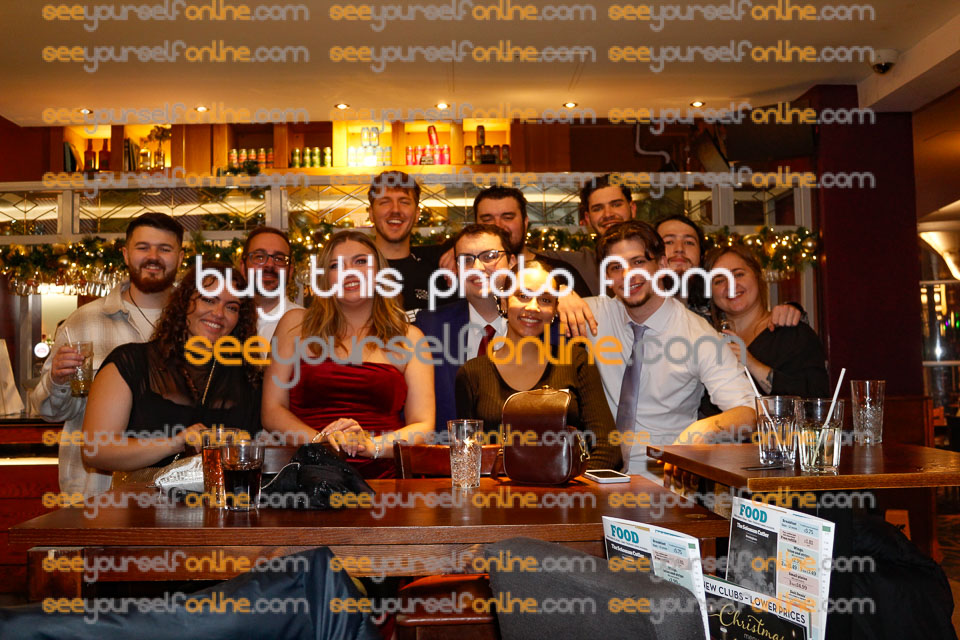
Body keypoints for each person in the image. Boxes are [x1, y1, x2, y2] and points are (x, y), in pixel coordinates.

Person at [584, 220, 756, 480]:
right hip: (597, 478)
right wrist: (563, 296)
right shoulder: (592, 315)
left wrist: (704, 429)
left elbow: (749, 412)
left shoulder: (698, 336)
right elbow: (531, 300)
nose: (628, 275)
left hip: (665, 480)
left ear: (662, 264)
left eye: (638, 262)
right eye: (616, 267)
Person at [29, 212, 185, 497]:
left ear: (180, 256)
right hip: (96, 494)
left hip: (180, 492)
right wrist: (57, 380)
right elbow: (49, 412)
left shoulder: (197, 324)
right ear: (126, 254)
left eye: (164, 249)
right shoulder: (83, 322)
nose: (153, 257)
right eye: (143, 247)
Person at [261, 230, 435, 478]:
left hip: (386, 481)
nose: (349, 272)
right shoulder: (294, 325)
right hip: (309, 478)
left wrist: (371, 446)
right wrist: (322, 442)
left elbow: (424, 426)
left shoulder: (411, 338)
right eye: (336, 265)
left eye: (360, 261)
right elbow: (272, 411)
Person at [81, 262, 262, 477]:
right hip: (143, 498)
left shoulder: (248, 376)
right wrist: (175, 443)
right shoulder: (131, 362)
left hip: (224, 498)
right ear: (184, 302)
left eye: (231, 307)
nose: (218, 313)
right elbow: (95, 451)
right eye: (208, 299)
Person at [455, 261, 621, 470]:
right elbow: (467, 457)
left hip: (567, 489)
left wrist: (570, 485)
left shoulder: (575, 361)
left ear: (554, 311)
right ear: (504, 302)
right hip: (498, 490)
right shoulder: (472, 373)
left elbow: (608, 449)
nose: (533, 307)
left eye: (545, 299)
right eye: (523, 296)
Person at [414, 223, 516, 431]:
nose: (478, 268)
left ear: (512, 263)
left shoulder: (541, 324)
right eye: (467, 260)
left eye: (490, 256)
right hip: (448, 449)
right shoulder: (430, 327)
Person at [705, 245, 830, 397]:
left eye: (738, 274)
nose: (731, 285)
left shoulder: (792, 333)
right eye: (719, 281)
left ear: (757, 277)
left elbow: (816, 398)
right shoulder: (706, 338)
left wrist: (751, 363)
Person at [367, 170, 448, 313]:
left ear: (417, 214)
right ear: (371, 214)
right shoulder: (355, 272)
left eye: (404, 202)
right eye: (385, 202)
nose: (395, 210)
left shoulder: (439, 270)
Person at [239, 226, 304, 340]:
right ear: (243, 268)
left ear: (290, 272)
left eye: (279, 259)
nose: (269, 265)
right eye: (259, 257)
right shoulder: (225, 320)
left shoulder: (307, 324)